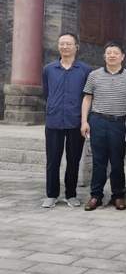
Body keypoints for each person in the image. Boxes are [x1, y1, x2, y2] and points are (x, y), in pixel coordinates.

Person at [81, 41, 126, 211]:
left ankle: (118, 195)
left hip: (119, 123)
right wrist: (84, 121)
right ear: (104, 56)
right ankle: (96, 196)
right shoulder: (94, 75)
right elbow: (87, 99)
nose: (112, 55)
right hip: (98, 121)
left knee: (117, 161)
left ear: (122, 56)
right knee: (98, 161)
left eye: (115, 53)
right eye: (109, 53)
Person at [41, 33, 92, 208]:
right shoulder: (49, 69)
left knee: (73, 160)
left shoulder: (85, 70)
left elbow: (88, 96)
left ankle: (71, 194)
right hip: (54, 120)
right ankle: (51, 195)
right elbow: (46, 93)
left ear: (76, 47)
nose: (65, 47)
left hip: (75, 121)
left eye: (68, 44)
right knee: (52, 160)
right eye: (62, 43)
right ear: (58, 46)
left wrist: (85, 120)